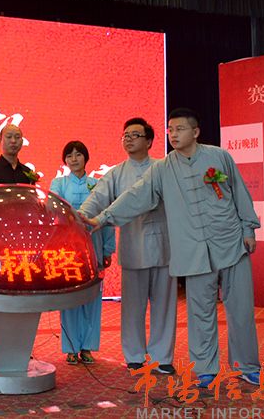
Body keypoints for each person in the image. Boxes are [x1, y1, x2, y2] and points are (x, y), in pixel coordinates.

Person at [83, 108, 261, 388]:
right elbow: (135, 196)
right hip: (193, 251)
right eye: (170, 130)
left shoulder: (219, 157)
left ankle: (246, 366)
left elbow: (239, 191)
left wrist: (248, 228)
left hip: (230, 243)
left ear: (196, 132)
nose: (173, 134)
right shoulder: (162, 169)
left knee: (240, 310)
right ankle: (205, 370)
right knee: (200, 313)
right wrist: (101, 219)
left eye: (179, 129)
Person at [79, 118, 176, 374]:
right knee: (132, 306)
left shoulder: (163, 168)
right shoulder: (116, 173)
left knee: (164, 305)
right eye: (126, 135)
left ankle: (162, 357)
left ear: (149, 141)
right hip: (133, 245)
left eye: (135, 135)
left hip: (164, 245)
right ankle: (134, 355)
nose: (129, 139)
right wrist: (81, 217)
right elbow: (97, 198)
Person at [49, 141, 115, 365]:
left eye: (78, 154)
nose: (74, 159)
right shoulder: (58, 184)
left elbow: (106, 219)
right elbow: (54, 214)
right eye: (69, 155)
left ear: (86, 158)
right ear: (64, 160)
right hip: (68, 247)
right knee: (70, 298)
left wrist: (107, 249)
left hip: (93, 245)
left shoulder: (98, 185)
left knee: (92, 297)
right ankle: (71, 347)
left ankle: (87, 347)